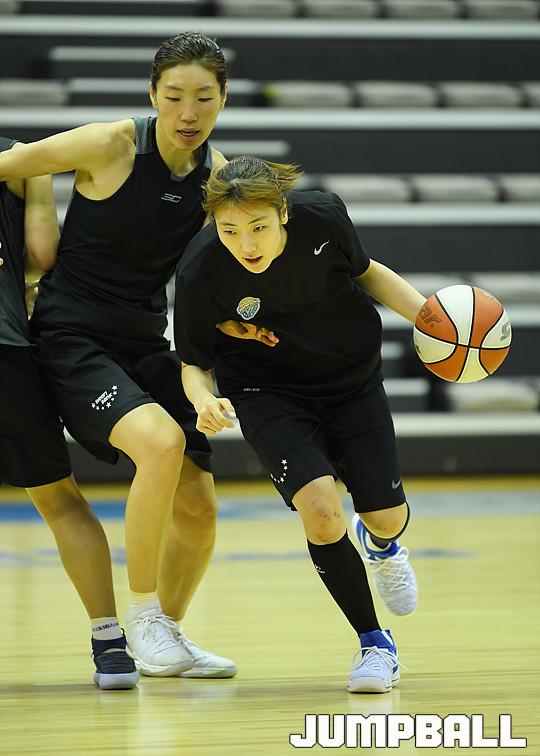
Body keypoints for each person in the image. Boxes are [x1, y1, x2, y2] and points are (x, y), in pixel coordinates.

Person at [0, 32, 265, 678]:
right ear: (152, 95)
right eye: (174, 96)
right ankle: (141, 618)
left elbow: (226, 267)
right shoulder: (110, 143)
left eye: (203, 97)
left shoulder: (217, 177)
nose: (188, 112)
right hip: (71, 337)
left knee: (199, 506)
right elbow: (15, 161)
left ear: (224, 100)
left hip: (146, 342)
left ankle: (165, 633)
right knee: (161, 444)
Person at [174, 156, 424, 693]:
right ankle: (375, 643)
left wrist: (431, 319)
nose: (246, 244)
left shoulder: (324, 217)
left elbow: (367, 271)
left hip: (353, 381)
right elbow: (193, 362)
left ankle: (381, 545)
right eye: (229, 230)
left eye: (258, 227)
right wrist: (203, 400)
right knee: (320, 508)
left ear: (283, 212)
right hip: (267, 393)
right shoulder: (200, 270)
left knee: (386, 518)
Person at [0, 137, 138, 689]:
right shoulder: (17, 159)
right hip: (7, 352)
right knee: (60, 501)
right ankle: (110, 644)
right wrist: (38, 179)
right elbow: (42, 254)